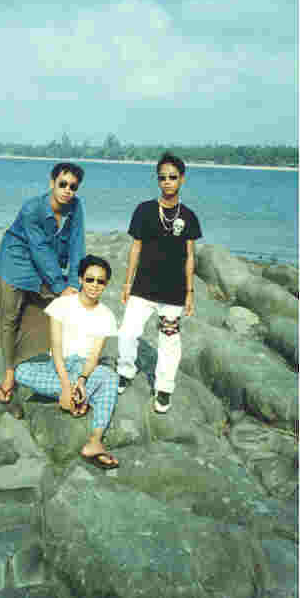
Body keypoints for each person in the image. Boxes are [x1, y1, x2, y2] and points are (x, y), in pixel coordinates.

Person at [15, 255, 119, 469]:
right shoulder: (62, 304)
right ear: (80, 279)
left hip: (84, 368)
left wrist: (81, 381)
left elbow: (94, 357)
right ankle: (80, 399)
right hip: (58, 365)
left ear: (106, 284)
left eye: (100, 281)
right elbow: (56, 346)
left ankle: (95, 440)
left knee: (110, 377)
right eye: (90, 279)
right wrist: (65, 386)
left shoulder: (106, 315)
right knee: (21, 372)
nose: (94, 285)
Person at [117, 152, 202, 413]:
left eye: (172, 177)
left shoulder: (189, 216)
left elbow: (190, 256)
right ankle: (125, 371)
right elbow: (135, 248)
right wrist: (127, 284)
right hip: (142, 288)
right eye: (162, 177)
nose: (167, 182)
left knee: (169, 341)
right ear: (158, 180)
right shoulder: (144, 210)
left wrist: (190, 292)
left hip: (173, 293)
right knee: (127, 332)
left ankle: (164, 388)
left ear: (182, 179)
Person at [0, 162, 86, 404]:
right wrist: (60, 286)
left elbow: (77, 245)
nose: (67, 190)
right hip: (16, 261)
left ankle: (42, 360)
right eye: (63, 184)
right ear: (52, 182)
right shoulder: (32, 209)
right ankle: (9, 371)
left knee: (57, 309)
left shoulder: (76, 207)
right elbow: (40, 249)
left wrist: (74, 283)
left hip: (44, 262)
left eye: (73, 187)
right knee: (10, 317)